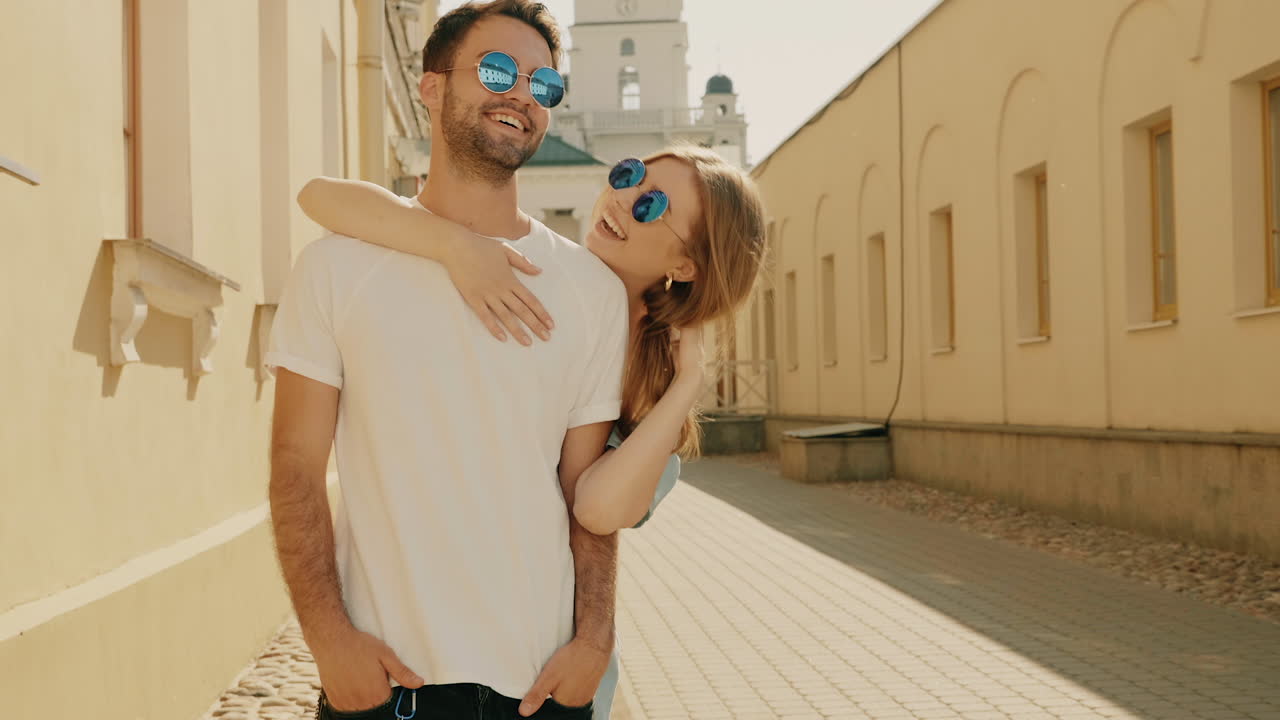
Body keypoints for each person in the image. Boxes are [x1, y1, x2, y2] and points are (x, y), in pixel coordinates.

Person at [296, 140, 767, 717]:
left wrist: (688, 384)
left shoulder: (654, 390)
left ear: (685, 266)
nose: (623, 200)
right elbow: (318, 197)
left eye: (652, 206)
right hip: (447, 653)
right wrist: (452, 243)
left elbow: (594, 511)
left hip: (552, 673)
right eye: (629, 176)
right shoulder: (532, 270)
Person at [267, 2, 628, 718]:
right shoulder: (336, 268)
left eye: (543, 84)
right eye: (497, 70)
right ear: (431, 87)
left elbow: (585, 494)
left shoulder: (591, 290)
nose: (522, 94)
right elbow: (295, 466)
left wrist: (595, 640)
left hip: (542, 688)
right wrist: (329, 641)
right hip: (391, 684)